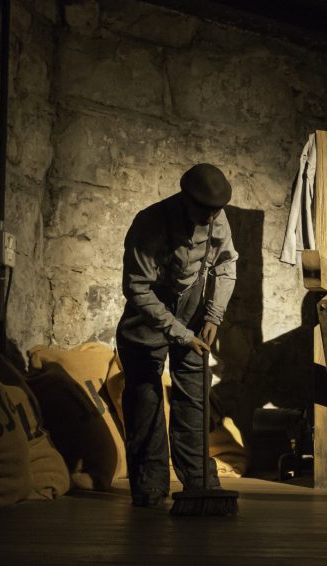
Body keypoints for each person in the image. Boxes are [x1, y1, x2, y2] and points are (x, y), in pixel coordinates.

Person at [115, 163, 238, 507]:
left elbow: (227, 265)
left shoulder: (217, 217)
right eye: (205, 210)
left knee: (195, 395)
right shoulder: (149, 224)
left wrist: (214, 313)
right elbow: (137, 288)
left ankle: (200, 483)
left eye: (217, 210)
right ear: (186, 200)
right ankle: (150, 486)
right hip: (148, 315)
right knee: (145, 399)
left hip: (192, 309)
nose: (213, 217)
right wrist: (179, 333)